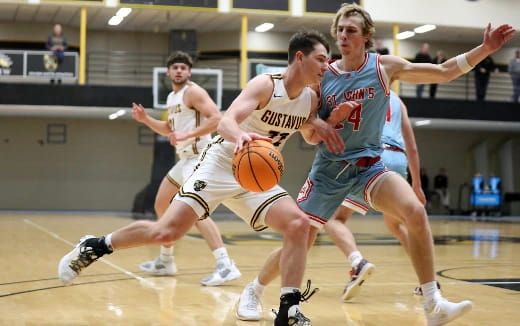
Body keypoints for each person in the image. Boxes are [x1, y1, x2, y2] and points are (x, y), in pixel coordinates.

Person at [237, 4, 514, 326]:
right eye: (339, 30)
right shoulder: (322, 77)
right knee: (303, 237)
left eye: (351, 30)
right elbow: (311, 138)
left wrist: (486, 48)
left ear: (366, 36)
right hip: (329, 171)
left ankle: (432, 302)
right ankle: (254, 290)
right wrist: (329, 121)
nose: (343, 35)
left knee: (414, 211)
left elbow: (444, 72)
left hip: (370, 166)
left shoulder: (385, 67)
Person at [58, 31, 345, 326]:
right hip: (222, 162)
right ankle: (96, 245)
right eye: (321, 59)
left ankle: (289, 311)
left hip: (255, 175)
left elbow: (308, 134)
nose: (326, 66)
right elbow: (224, 122)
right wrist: (241, 136)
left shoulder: (311, 99)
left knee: (299, 226)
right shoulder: (265, 85)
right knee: (167, 232)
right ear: (300, 57)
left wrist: (326, 125)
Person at [131, 51, 241, 286]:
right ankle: (166, 260)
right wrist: (145, 120)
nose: (179, 71)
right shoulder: (172, 97)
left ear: (189, 72)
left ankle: (225, 265)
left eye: (183, 67)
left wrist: (188, 134)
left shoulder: (194, 92)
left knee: (197, 211)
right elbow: (169, 129)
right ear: (168, 72)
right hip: (185, 159)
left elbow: (216, 118)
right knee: (161, 204)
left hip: (202, 157)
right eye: (175, 67)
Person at [322, 90, 427, 301]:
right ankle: (427, 283)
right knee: (396, 225)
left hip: (374, 156)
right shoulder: (399, 100)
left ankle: (357, 262)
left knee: (334, 219)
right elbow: (412, 147)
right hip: (399, 160)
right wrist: (417, 184)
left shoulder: (362, 91)